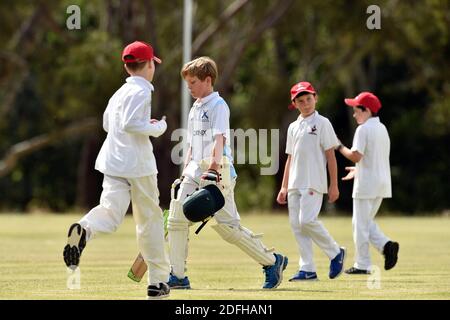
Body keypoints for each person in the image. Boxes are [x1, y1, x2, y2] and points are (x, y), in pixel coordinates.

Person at [167, 56, 288, 290]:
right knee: (176, 220)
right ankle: (178, 276)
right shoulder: (195, 107)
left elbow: (219, 139)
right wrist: (185, 172)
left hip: (218, 171)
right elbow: (192, 143)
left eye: (192, 82)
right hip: (194, 171)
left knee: (228, 228)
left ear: (207, 80)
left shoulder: (218, 105)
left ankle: (272, 262)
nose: (189, 87)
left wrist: (212, 169)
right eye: (188, 83)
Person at [63, 41, 170, 299]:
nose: (153, 68)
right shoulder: (143, 91)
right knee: (149, 221)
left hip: (113, 161)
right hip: (138, 164)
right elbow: (132, 124)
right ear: (146, 66)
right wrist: (157, 128)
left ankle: (84, 229)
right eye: (152, 64)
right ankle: (158, 281)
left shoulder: (119, 92)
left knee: (110, 211)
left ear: (126, 65)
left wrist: (144, 124)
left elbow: (108, 124)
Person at [276, 81, 346, 281]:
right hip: (294, 184)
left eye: (309, 99)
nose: (306, 103)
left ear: (315, 98)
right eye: (301, 100)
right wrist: (283, 186)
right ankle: (307, 269)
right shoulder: (293, 127)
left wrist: (334, 185)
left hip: (314, 181)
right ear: (294, 104)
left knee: (306, 221)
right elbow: (290, 158)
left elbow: (331, 156)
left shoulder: (323, 123)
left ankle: (335, 252)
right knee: (297, 226)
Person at [336, 92, 399, 274]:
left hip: (366, 185)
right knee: (365, 222)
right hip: (381, 183)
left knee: (360, 225)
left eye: (357, 110)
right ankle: (387, 246)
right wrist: (358, 170)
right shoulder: (382, 128)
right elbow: (374, 158)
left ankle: (362, 264)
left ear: (367, 110)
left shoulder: (363, 129)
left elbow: (356, 155)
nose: (355, 115)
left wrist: (338, 146)